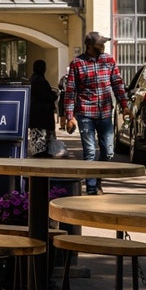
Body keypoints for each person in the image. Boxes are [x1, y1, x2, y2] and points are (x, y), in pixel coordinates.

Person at [60, 31, 128, 191]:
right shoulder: (77, 63)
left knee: (109, 151)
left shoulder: (109, 60)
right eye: (100, 44)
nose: (103, 46)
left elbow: (117, 83)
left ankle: (97, 178)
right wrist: (69, 116)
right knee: (89, 152)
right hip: (85, 114)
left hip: (105, 113)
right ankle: (91, 187)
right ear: (90, 46)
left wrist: (124, 105)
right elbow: (70, 91)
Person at [28, 59, 59, 157]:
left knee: (37, 134)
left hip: (36, 113)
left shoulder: (33, 79)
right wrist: (54, 96)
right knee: (41, 135)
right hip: (42, 113)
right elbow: (44, 96)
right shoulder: (40, 80)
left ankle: (39, 151)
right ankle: (41, 152)